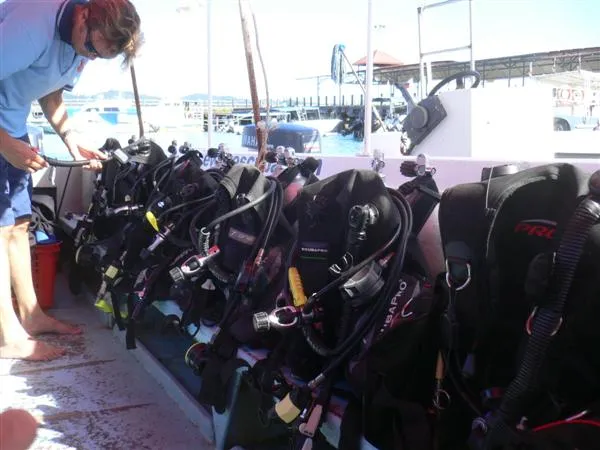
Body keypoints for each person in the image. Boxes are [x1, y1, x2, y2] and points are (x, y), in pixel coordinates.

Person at [0, 0, 143, 361]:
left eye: (99, 56)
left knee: (18, 224)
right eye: (92, 48)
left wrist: (71, 139)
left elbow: (51, 93)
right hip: (3, 134)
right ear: (83, 16)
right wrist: (6, 145)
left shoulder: (82, 43)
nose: (90, 58)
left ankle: (31, 316)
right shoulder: (32, 25)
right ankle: (8, 336)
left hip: (12, 126)